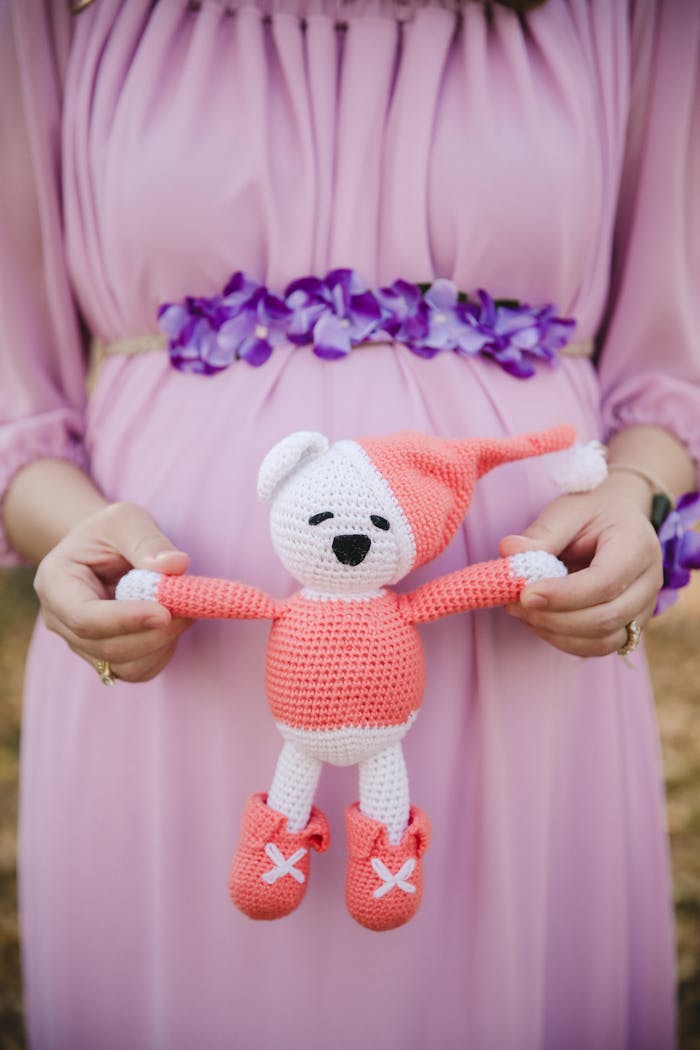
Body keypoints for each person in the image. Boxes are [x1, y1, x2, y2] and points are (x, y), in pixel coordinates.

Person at [1, 0, 698, 1047]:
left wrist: (627, 498)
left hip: (521, 677)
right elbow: (13, 393)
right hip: (172, 679)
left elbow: (669, 371)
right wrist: (69, 535)